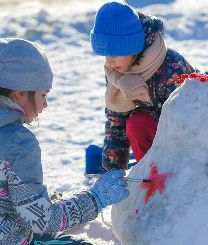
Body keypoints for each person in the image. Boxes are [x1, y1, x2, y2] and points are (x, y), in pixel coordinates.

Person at [0, 38, 129, 244]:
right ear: (20, 92)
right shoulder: (17, 142)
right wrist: (95, 198)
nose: (45, 104)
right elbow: (41, 220)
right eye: (43, 94)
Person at [90, 2, 197, 170]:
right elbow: (116, 123)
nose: (109, 61)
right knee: (136, 124)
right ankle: (150, 174)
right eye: (105, 54)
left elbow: (193, 118)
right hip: (150, 136)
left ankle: (175, 177)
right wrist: (112, 172)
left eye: (115, 52)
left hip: (188, 141)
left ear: (132, 46)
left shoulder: (170, 67)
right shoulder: (116, 71)